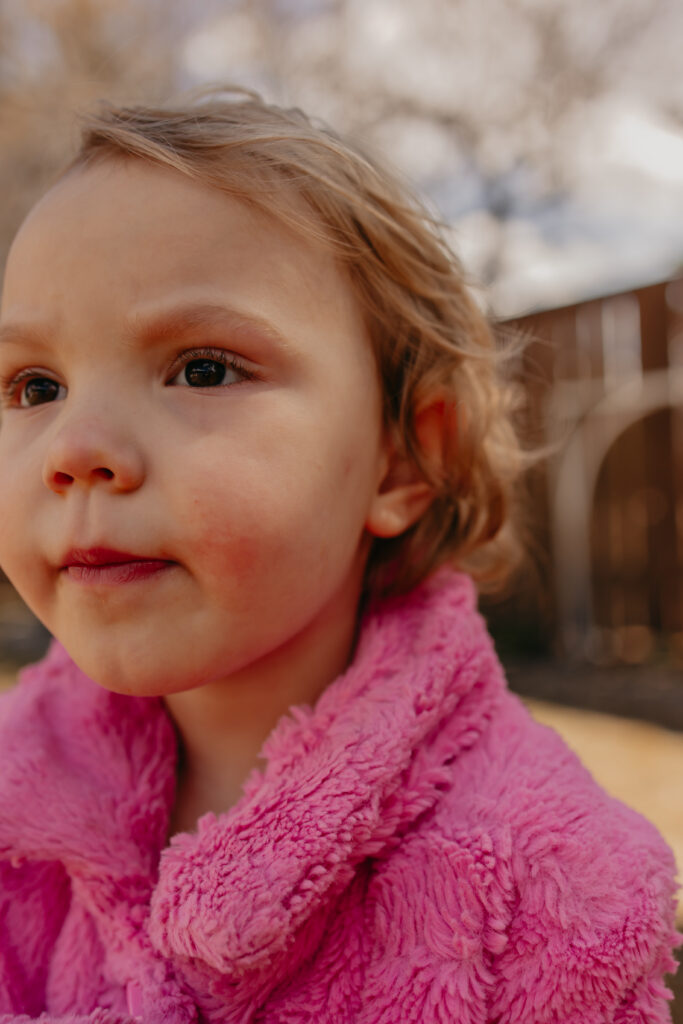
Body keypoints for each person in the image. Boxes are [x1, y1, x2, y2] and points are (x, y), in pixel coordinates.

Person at [0, 88, 678, 1024]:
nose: (75, 449)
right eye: (35, 385)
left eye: (202, 368)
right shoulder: (13, 810)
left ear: (406, 458)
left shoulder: (544, 892)